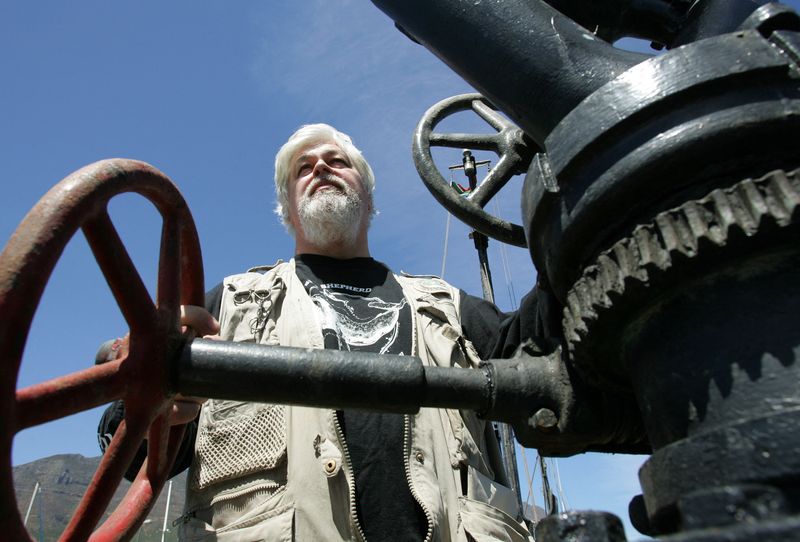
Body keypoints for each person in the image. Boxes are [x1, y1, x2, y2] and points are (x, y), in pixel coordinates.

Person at [99, 124, 556, 541]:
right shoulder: (229, 306)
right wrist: (154, 410)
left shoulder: (447, 308)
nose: (320, 166)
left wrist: (564, 224)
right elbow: (133, 456)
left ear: (369, 196)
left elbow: (539, 354)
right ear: (288, 209)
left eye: (338, 161)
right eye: (303, 168)